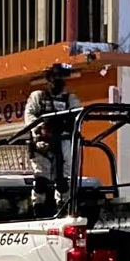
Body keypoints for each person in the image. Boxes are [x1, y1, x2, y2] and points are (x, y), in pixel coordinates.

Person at [24, 63, 81, 215]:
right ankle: (38, 210)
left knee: (63, 180)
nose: (58, 81)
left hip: (63, 142)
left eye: (61, 78)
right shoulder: (38, 96)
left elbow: (77, 116)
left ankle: (63, 208)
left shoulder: (70, 99)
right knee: (41, 180)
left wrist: (67, 125)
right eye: (55, 77)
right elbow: (29, 116)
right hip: (42, 143)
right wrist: (40, 128)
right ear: (49, 78)